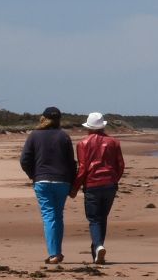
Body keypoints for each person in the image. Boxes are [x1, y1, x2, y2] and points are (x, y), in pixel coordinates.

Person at [18, 106, 77, 265]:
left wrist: (33, 175)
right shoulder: (64, 136)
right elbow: (71, 163)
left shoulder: (34, 136)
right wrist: (73, 183)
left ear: (43, 118)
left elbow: (24, 160)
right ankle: (56, 252)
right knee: (57, 216)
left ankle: (54, 254)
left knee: (49, 216)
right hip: (62, 181)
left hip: (42, 181)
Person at [75, 112, 127, 264]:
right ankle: (98, 249)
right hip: (110, 184)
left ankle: (98, 246)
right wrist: (114, 179)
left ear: (89, 128)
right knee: (102, 218)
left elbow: (83, 168)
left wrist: (75, 187)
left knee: (94, 219)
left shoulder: (82, 144)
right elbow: (121, 165)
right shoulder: (114, 142)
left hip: (92, 184)